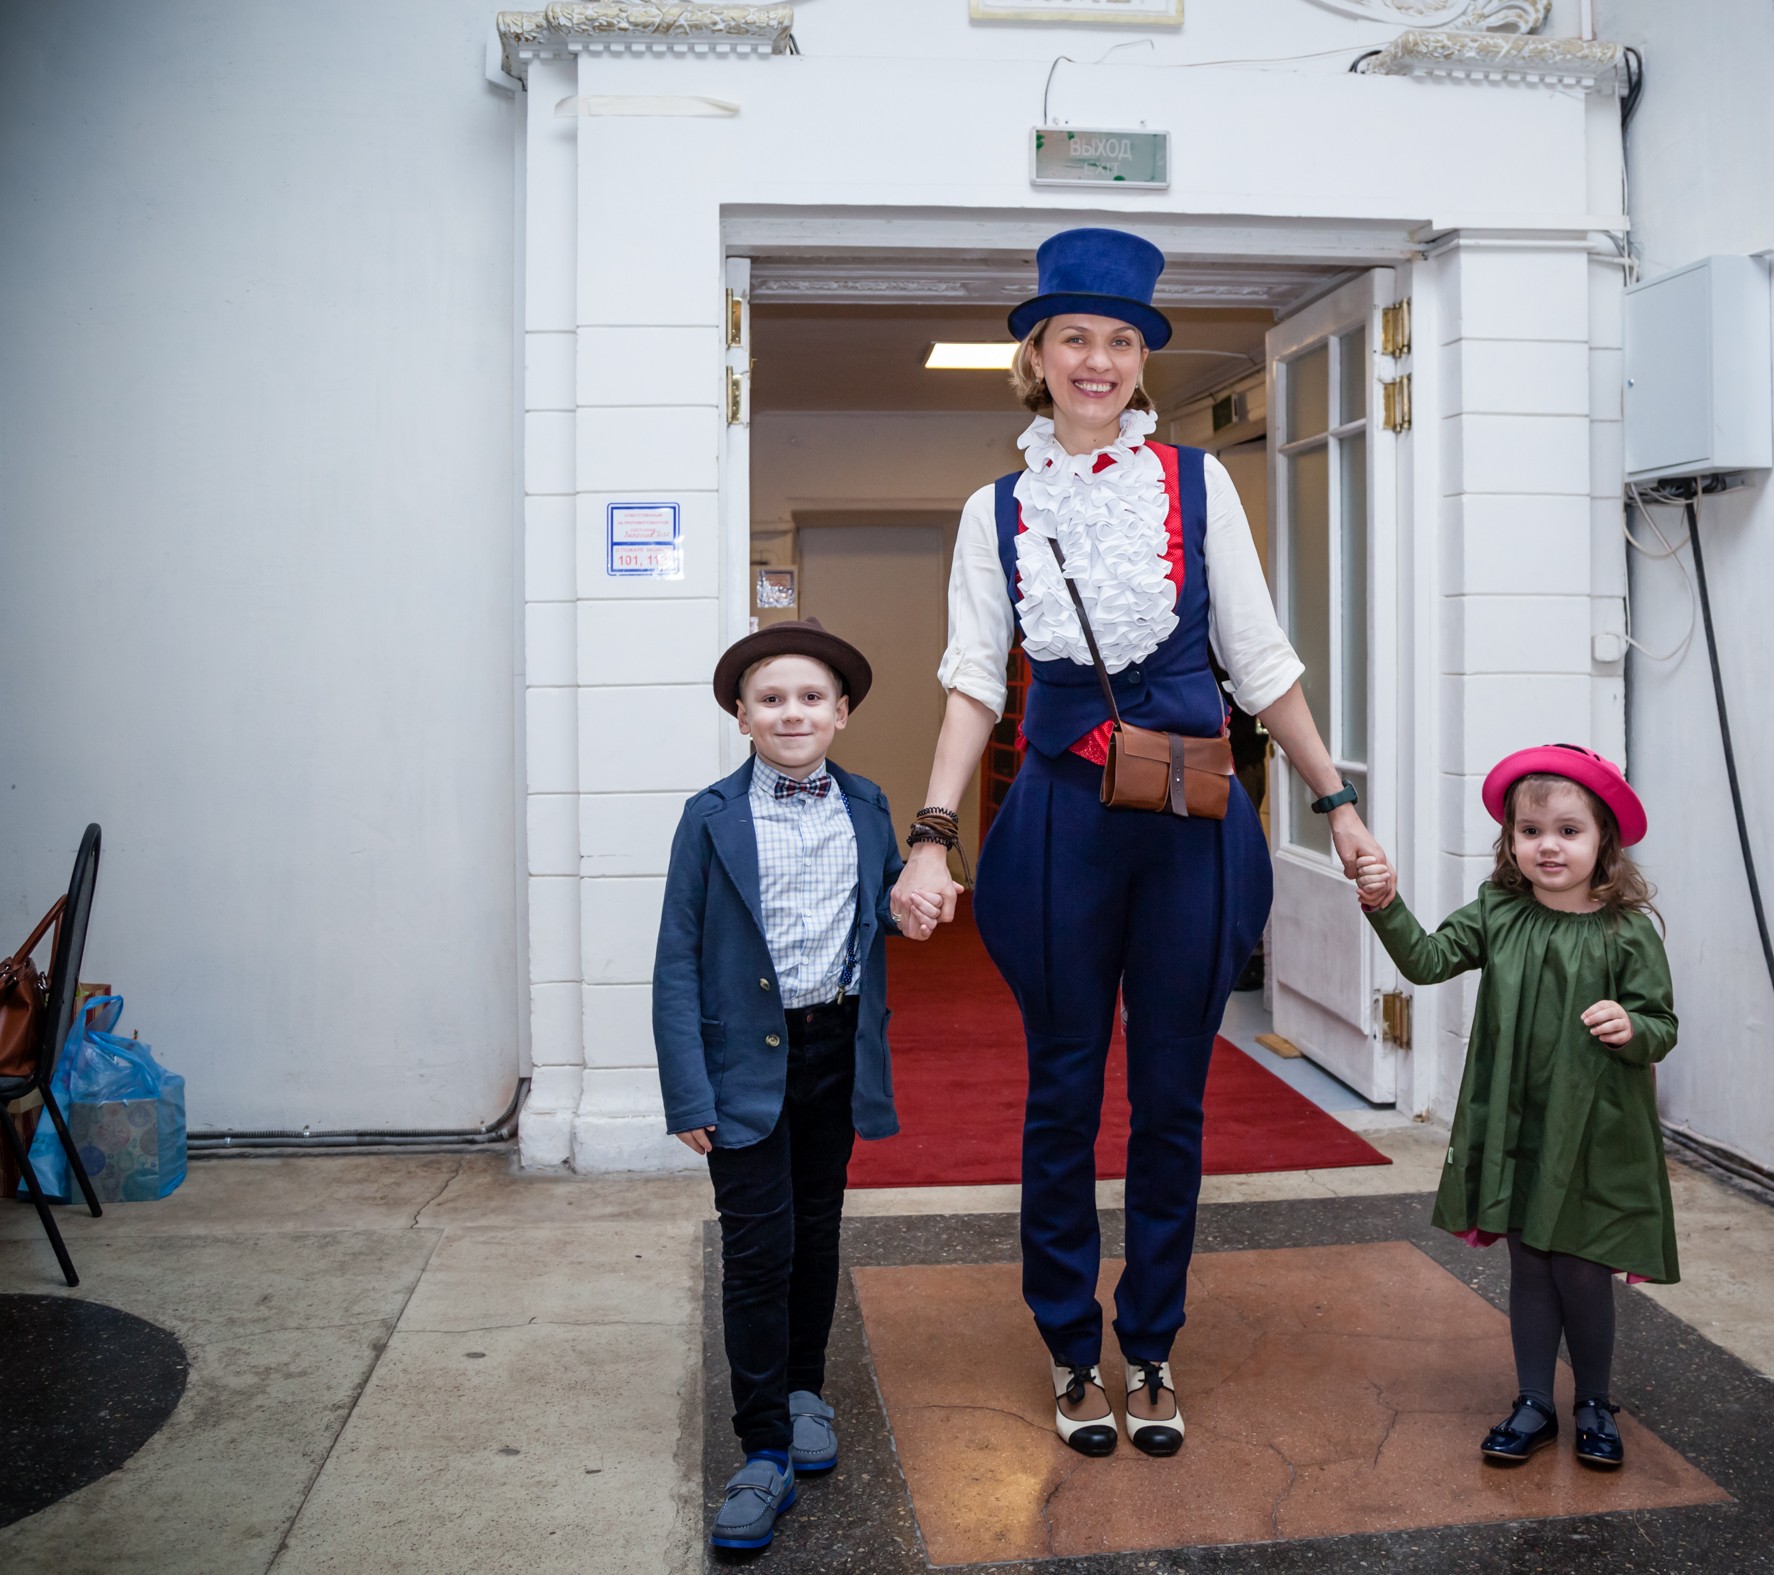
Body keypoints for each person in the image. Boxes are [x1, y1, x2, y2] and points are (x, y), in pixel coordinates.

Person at [890, 227, 1383, 1457]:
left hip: (1189, 823)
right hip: (1059, 821)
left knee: (1172, 1095)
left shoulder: (1199, 485)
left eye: (1120, 341)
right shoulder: (996, 509)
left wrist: (1336, 803)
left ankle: (1151, 1342)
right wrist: (933, 837)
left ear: (1139, 361)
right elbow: (972, 680)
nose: (1098, 361)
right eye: (1075, 338)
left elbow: (1259, 660)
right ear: (1036, 357)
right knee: (1061, 1092)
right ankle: (1070, 1346)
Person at [652, 620, 905, 1552]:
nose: (791, 712)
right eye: (771, 699)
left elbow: (883, 908)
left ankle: (804, 1391)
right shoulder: (710, 815)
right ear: (742, 716)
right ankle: (762, 1448)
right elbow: (676, 960)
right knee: (758, 1251)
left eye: (810, 697)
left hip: (836, 1050)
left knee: (816, 1229)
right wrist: (689, 1092)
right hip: (743, 1066)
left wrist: (914, 902)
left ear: (841, 713)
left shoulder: (868, 805)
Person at [1353, 745, 1678, 1471]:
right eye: (1530, 831)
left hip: (1594, 1132)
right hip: (1516, 1124)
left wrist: (1632, 1026)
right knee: (1531, 1264)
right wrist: (1385, 904)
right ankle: (1534, 1401)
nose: (1548, 846)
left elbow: (1662, 1024)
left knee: (1582, 1269)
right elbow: (1427, 960)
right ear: (1511, 841)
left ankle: (1593, 1402)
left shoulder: (1627, 930)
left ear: (1604, 841)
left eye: (1568, 830)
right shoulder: (1498, 912)